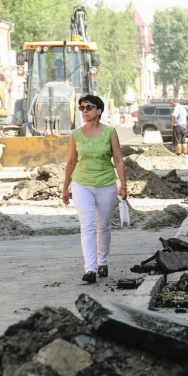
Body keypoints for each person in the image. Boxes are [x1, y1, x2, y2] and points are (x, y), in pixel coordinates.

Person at [62, 95, 127, 284]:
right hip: (82, 184)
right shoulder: (76, 134)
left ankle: (102, 262)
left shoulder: (110, 132)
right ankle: (90, 268)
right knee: (88, 225)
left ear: (99, 111)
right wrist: (65, 187)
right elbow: (72, 161)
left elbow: (118, 160)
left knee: (103, 226)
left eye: (88, 107)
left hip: (106, 184)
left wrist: (123, 185)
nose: (84, 111)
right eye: (81, 108)